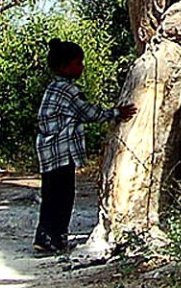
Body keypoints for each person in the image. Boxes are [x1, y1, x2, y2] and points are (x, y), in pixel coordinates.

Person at [34, 38, 135, 255]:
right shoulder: (69, 91)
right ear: (64, 66)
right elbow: (88, 113)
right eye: (78, 63)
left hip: (48, 151)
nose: (81, 67)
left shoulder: (54, 88)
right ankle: (55, 238)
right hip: (61, 151)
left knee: (51, 194)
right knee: (64, 195)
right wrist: (116, 113)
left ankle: (45, 236)